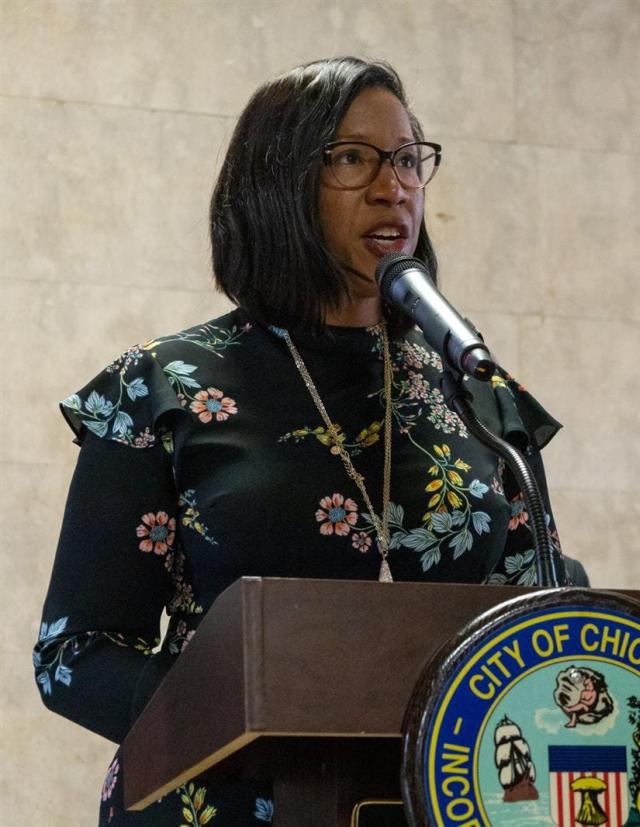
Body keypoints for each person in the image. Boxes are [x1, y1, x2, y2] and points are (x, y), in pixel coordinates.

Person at [33, 56, 586, 825]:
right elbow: (75, 655)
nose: (393, 187)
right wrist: (255, 723)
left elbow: (547, 610)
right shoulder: (164, 385)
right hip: (221, 804)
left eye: (406, 160)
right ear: (278, 184)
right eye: (353, 159)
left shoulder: (471, 389)